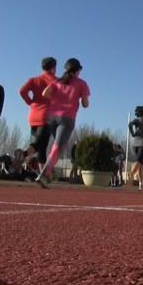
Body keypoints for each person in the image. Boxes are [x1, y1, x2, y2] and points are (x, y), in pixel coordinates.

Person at [36, 58, 90, 188]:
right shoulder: (81, 83)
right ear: (77, 70)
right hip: (67, 118)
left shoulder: (58, 81)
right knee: (58, 147)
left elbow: (44, 93)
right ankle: (44, 174)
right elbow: (85, 104)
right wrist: (77, 99)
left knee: (58, 146)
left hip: (52, 117)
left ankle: (47, 175)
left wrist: (57, 99)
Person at [19, 57, 57, 172]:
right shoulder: (56, 81)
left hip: (33, 116)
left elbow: (22, 91)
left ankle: (42, 174)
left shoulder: (34, 80)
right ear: (54, 67)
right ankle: (24, 154)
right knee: (39, 144)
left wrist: (29, 101)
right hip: (47, 116)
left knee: (42, 145)